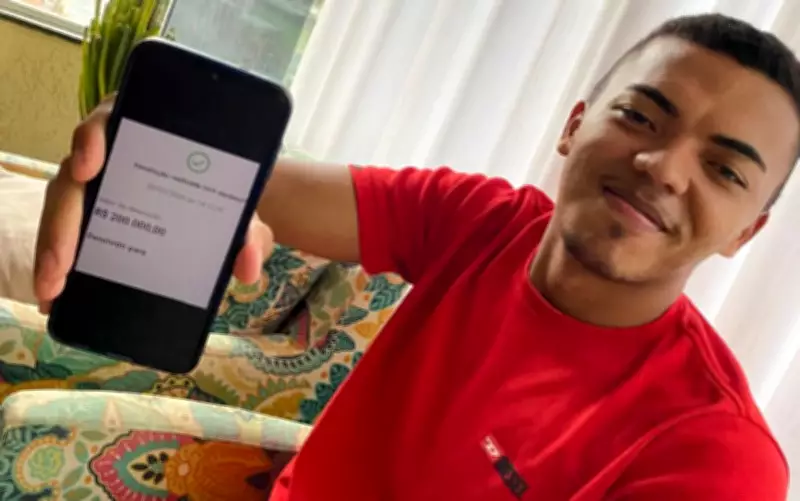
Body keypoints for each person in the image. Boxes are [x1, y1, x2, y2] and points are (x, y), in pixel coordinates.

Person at [34, 12, 798, 501]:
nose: (664, 167)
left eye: (725, 170)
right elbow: (253, 183)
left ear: (746, 232)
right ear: (574, 125)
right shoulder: (485, 222)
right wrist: (133, 143)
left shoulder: (717, 455)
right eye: (639, 115)